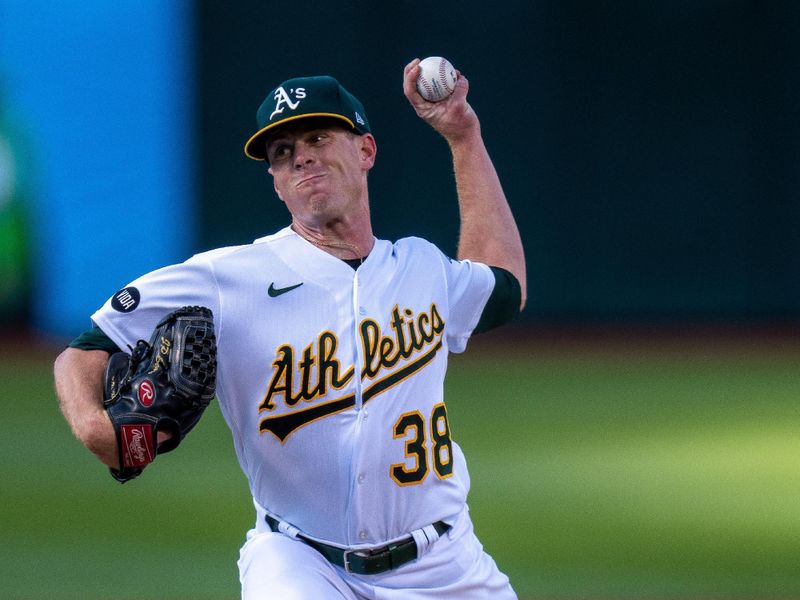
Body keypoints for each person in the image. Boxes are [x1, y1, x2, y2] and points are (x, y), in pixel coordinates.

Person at [54, 58, 527, 599]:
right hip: (299, 560)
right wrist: (94, 427)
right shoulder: (224, 278)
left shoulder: (422, 268)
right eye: (282, 152)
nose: (301, 156)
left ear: (366, 150)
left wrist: (465, 136)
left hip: (444, 563)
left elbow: (504, 286)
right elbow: (88, 345)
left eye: (319, 136)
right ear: (277, 183)